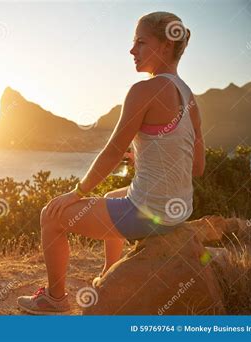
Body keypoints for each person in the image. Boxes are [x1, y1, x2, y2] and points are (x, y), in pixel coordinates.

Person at [17, 11, 205, 315]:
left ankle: (54, 298)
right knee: (110, 197)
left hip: (148, 213)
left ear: (167, 46)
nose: (132, 50)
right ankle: (109, 275)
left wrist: (76, 193)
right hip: (178, 211)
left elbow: (113, 151)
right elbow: (197, 168)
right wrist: (147, 155)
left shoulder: (144, 90)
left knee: (51, 216)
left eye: (141, 42)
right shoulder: (189, 96)